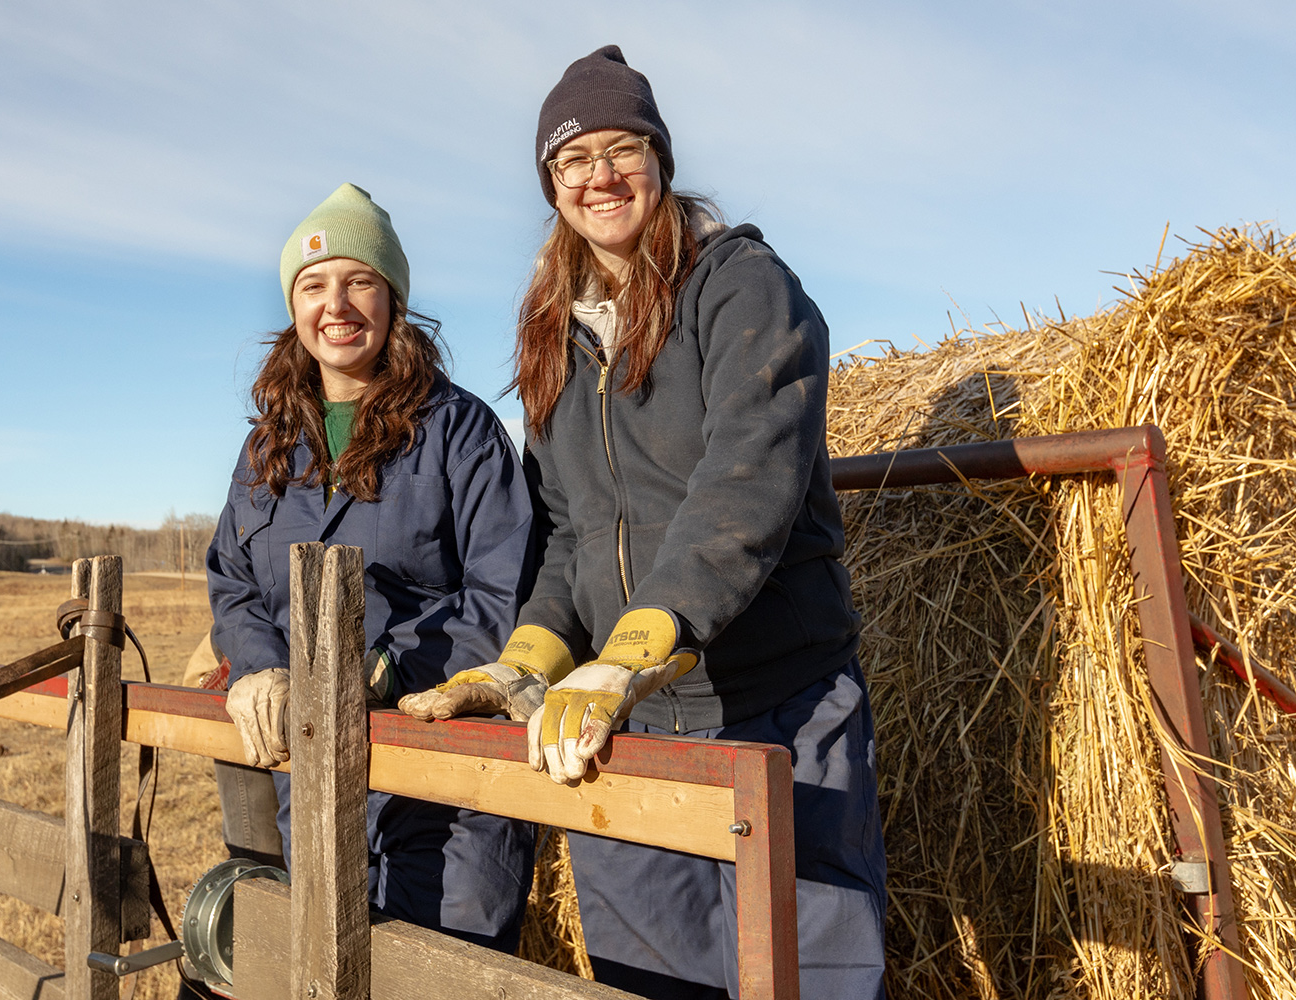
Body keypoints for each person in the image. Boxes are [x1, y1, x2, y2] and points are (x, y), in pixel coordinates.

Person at [397, 47, 888, 998]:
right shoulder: (557, 330)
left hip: (773, 708)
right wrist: (528, 658)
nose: (600, 177)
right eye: (573, 163)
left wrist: (640, 640)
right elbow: (567, 526)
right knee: (649, 983)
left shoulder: (740, 285)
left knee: (812, 977)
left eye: (623, 150)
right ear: (551, 186)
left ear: (660, 160)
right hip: (622, 733)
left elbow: (748, 478)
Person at [206, 183, 537, 952]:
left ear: (394, 300)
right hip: (311, 776)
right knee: (325, 968)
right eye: (314, 285)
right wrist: (264, 672)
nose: (337, 304)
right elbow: (232, 582)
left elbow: (503, 589)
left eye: (360, 281)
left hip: (446, 788)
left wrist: (384, 670)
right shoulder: (266, 449)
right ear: (294, 307)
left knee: (441, 973)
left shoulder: (461, 434)